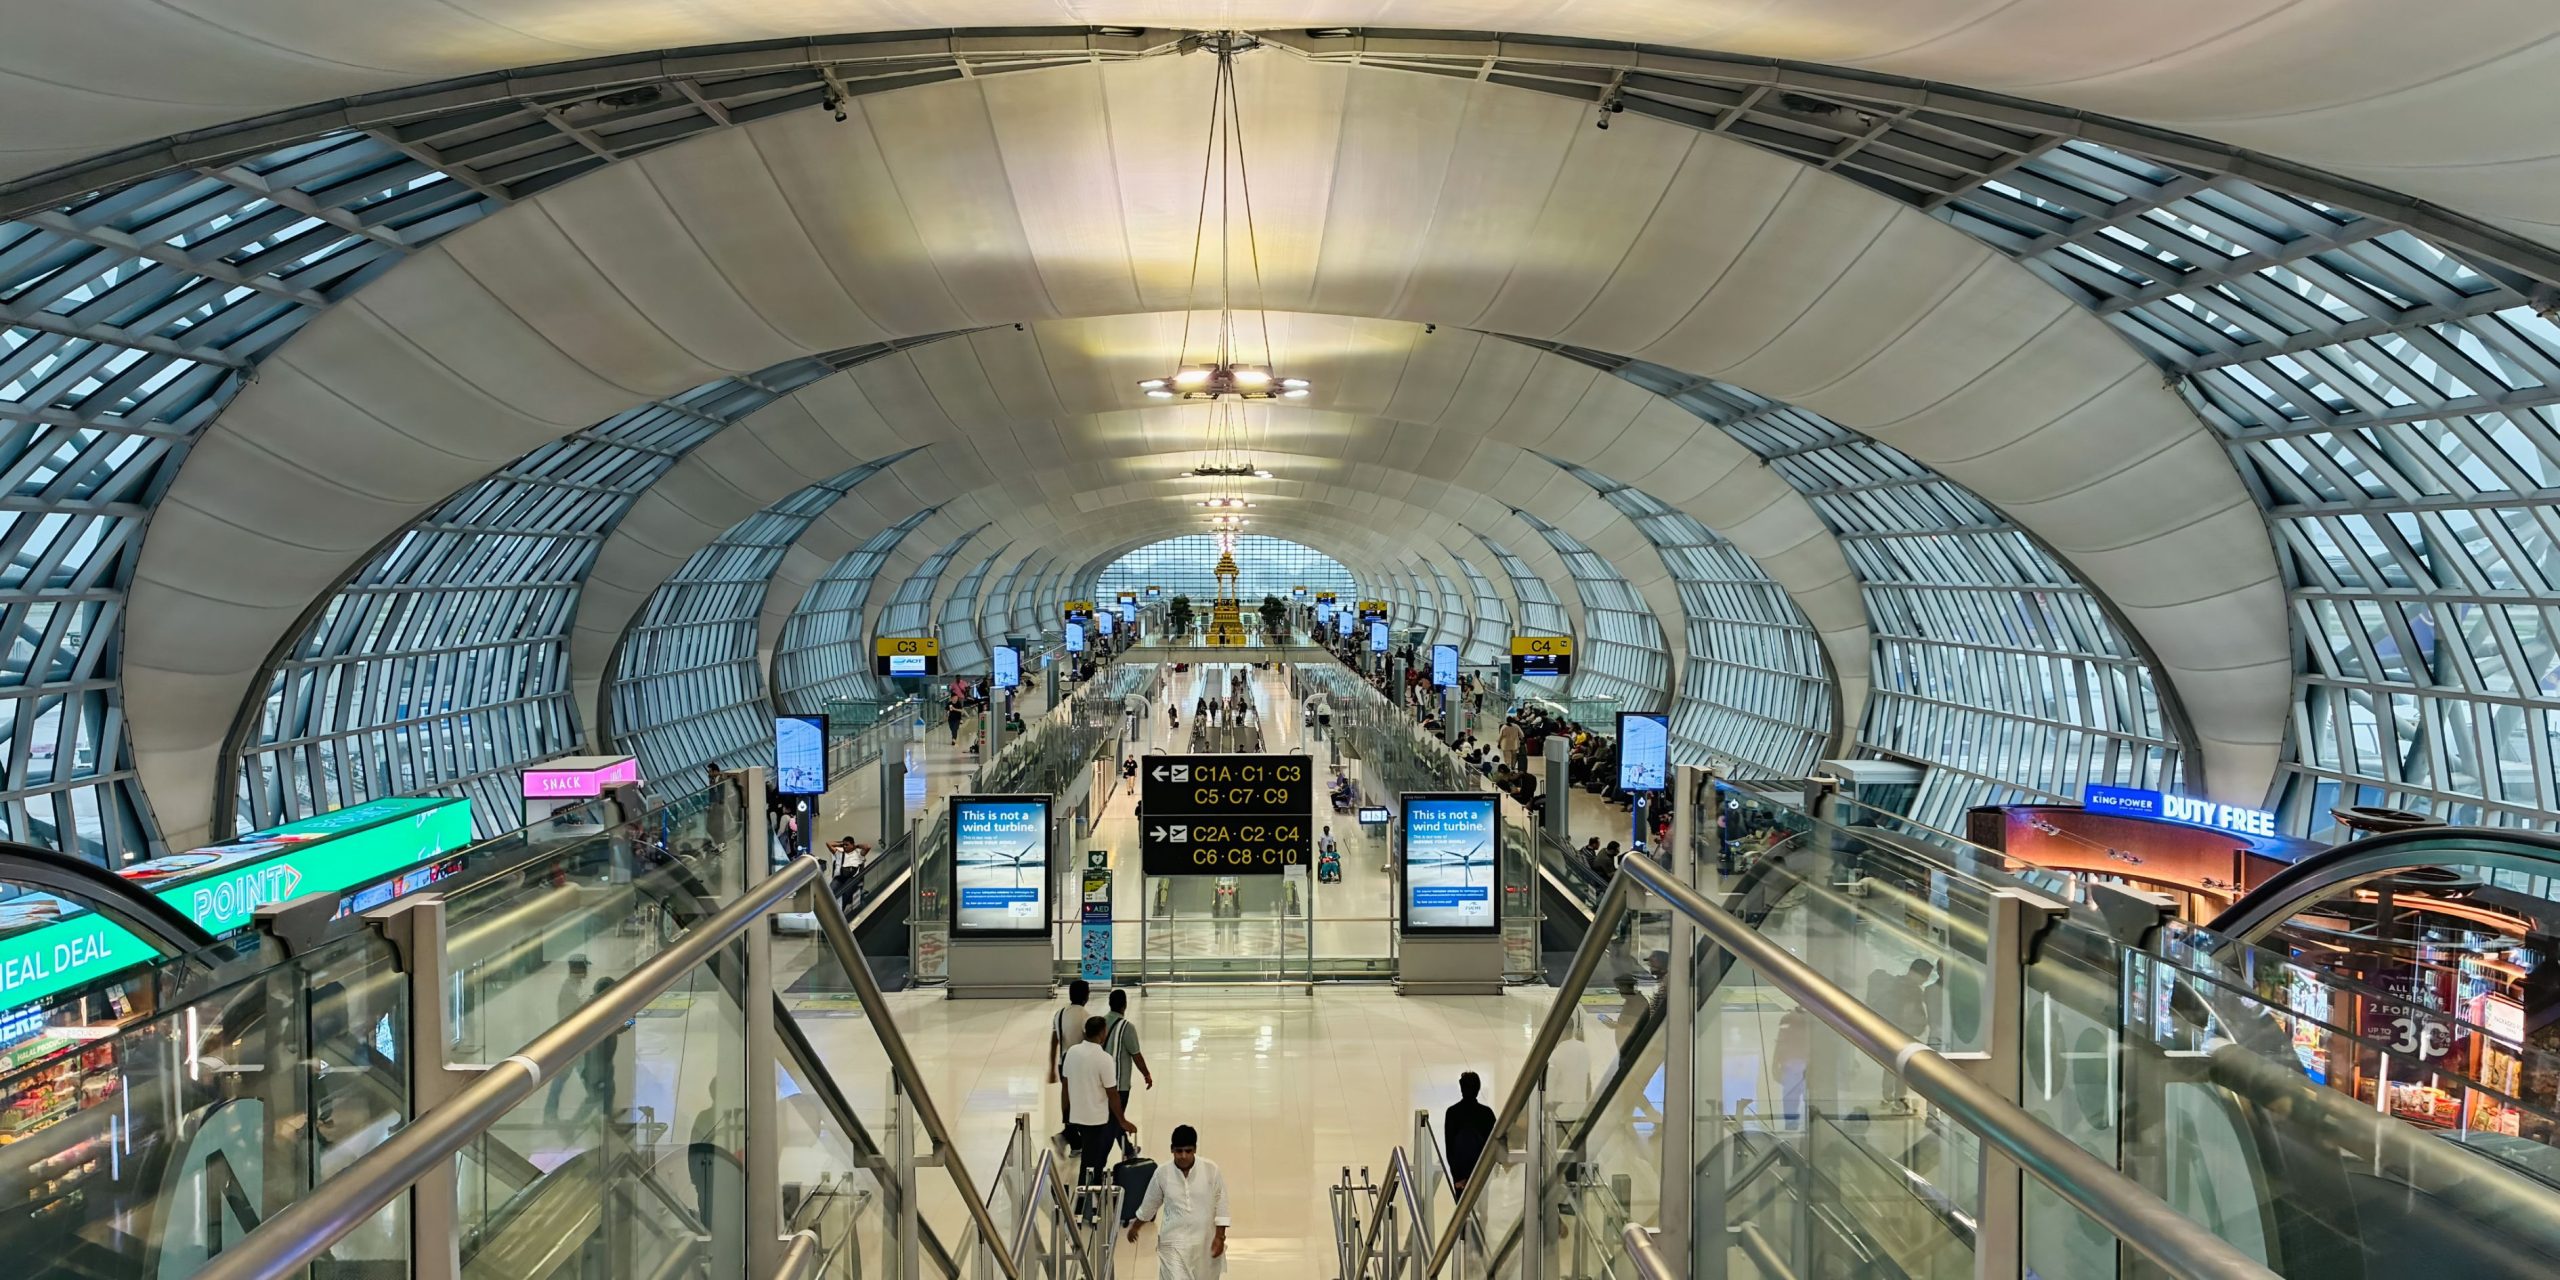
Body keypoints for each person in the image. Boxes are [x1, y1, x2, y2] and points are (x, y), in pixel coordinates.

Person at [1126, 1123, 1230, 1277]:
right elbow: (1150, 1204)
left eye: (1188, 1151)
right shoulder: (1162, 1173)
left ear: (1195, 1149)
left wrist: (1220, 1237)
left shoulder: (1210, 1170)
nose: (1183, 1156)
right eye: (1178, 1151)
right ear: (1171, 1149)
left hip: (1205, 1243)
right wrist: (1136, 1227)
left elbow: (1221, 1203)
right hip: (1172, 1243)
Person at [1062, 1016, 1135, 1189]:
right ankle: (1085, 1200)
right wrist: (1122, 1121)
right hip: (1095, 1118)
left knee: (1091, 1157)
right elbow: (1112, 1094)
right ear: (1103, 1033)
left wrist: (1065, 1112)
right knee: (1091, 1161)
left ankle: (1090, 1191)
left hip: (1076, 1115)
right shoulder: (1104, 1059)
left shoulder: (1071, 1052)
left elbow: (1065, 1086)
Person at [1104, 988, 1154, 1158]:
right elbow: (1136, 1054)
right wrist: (1146, 1074)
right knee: (1117, 1119)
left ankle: (1128, 1150)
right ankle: (1127, 1152)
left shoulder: (1100, 1023)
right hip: (1119, 1084)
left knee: (1113, 1118)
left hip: (1101, 1082)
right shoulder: (1127, 1027)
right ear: (1124, 1006)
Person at [543, 955, 592, 1122]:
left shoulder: (574, 987)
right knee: (584, 1078)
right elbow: (570, 1015)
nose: (587, 971)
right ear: (579, 969)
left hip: (573, 1042)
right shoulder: (569, 989)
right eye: (585, 967)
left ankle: (550, 1114)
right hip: (572, 1042)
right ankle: (602, 1113)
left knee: (566, 1077)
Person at [1050, 978, 1092, 1139]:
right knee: (1080, 1099)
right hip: (1078, 1065)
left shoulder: (1059, 1014)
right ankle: (1070, 1135)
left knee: (1067, 1096)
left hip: (1063, 1063)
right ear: (1085, 996)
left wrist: (1052, 1067)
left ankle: (1070, 1134)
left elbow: (1054, 1041)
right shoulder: (1085, 1016)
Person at [1442, 1072, 1496, 1195]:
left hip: (1461, 1179)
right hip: (1482, 1176)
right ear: (1478, 1088)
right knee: (1482, 1211)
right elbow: (1492, 1146)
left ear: (1461, 1088)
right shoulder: (1486, 1113)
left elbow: (1450, 1148)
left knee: (1463, 1211)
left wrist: (1457, 1177)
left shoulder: (1452, 1113)